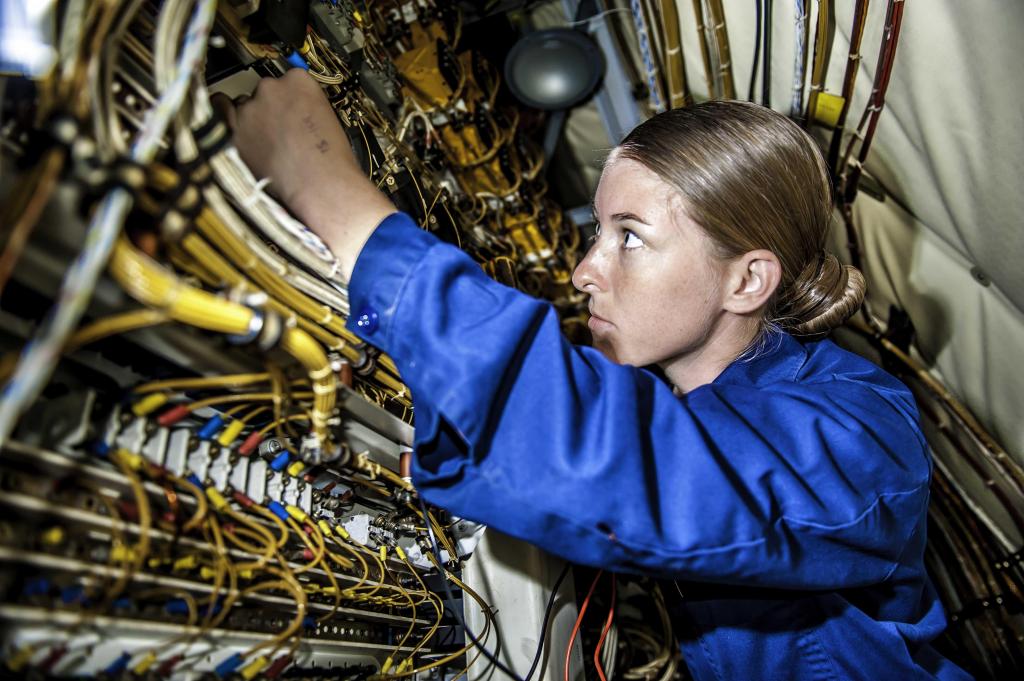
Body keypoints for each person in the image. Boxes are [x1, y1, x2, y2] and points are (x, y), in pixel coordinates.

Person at [218, 70, 972, 681]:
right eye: (595, 235)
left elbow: (642, 464)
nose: (584, 272)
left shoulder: (863, 423)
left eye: (630, 238)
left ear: (747, 281)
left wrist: (331, 197)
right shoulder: (679, 400)